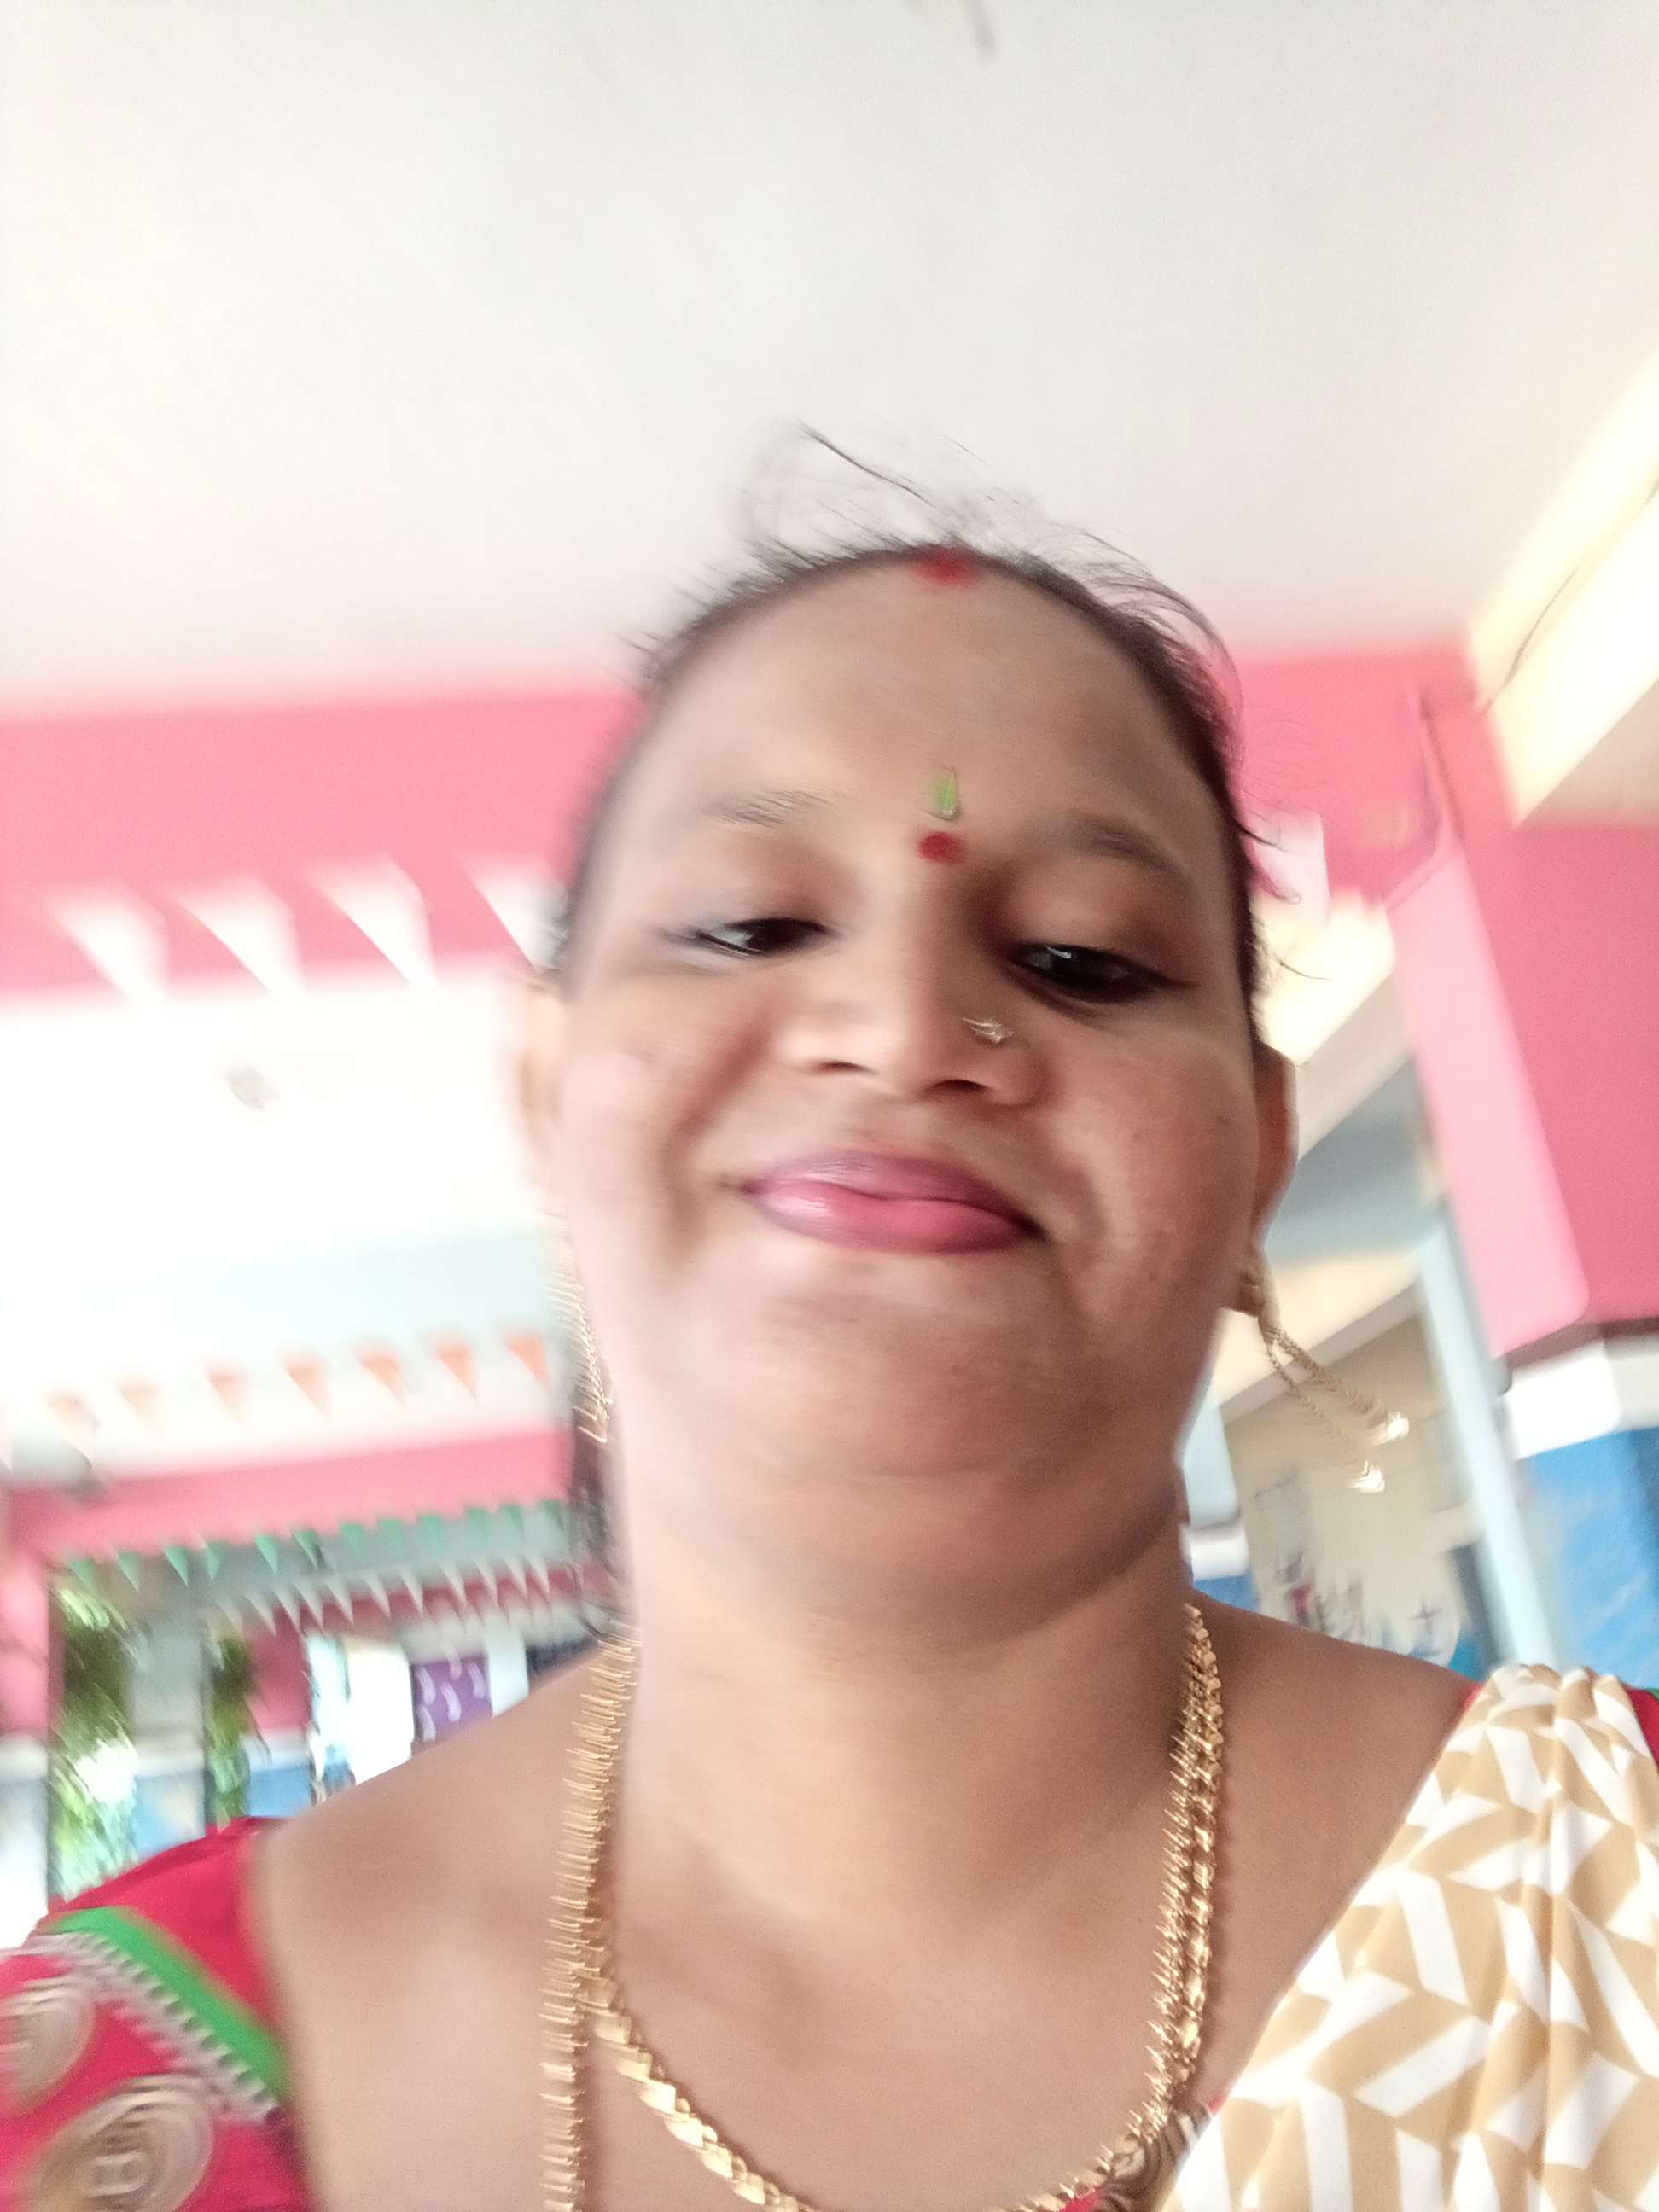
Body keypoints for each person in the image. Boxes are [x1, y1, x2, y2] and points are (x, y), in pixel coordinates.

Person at [4, 525, 1656, 2212]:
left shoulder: (1613, 1884)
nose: (908, 1023)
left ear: (1261, 1155)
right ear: (546, 1093)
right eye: (751, 925)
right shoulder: (99, 2089)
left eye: (1083, 957)